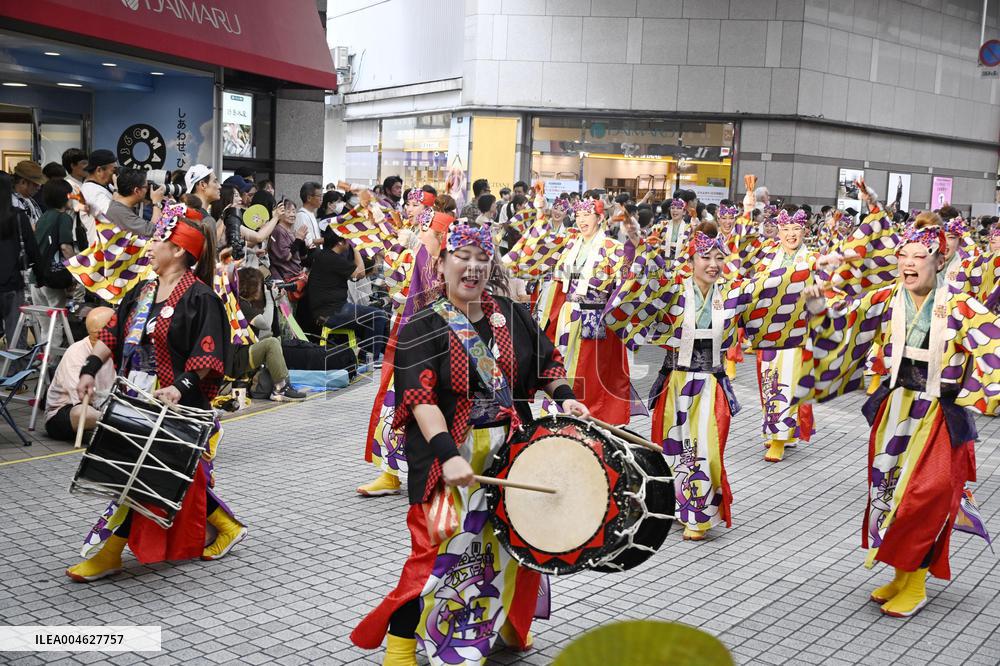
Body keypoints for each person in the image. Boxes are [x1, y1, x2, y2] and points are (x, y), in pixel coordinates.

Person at [351, 222, 589, 665]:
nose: (474, 268)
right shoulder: (422, 322)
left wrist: (566, 398)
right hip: (450, 457)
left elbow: (546, 364)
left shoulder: (510, 315)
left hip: (509, 457)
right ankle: (401, 647)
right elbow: (420, 399)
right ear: (441, 264)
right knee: (437, 555)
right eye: (463, 257)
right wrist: (446, 456)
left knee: (508, 549)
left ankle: (501, 630)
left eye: (483, 259)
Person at [802, 210, 1000, 618]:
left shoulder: (960, 306)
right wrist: (820, 304)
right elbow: (846, 321)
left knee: (923, 498)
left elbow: (993, 347)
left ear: (939, 260)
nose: (908, 263)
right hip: (896, 408)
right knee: (887, 491)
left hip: (939, 416)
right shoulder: (886, 299)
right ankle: (901, 573)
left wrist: (978, 393)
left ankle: (918, 582)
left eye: (918, 256)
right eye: (903, 255)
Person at [606, 218, 817, 541]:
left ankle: (699, 515)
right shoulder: (674, 292)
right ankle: (678, 505)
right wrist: (639, 242)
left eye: (719, 258)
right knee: (674, 447)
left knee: (704, 448)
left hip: (710, 382)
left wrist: (822, 274)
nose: (713, 264)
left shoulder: (733, 295)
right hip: (674, 381)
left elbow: (775, 285)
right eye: (705, 257)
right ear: (690, 261)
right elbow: (650, 279)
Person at [67, 207, 245, 582]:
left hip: (178, 402)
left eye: (157, 241)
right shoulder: (143, 291)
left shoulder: (200, 298)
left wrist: (179, 388)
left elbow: (208, 355)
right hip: (138, 397)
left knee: (144, 477)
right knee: (161, 476)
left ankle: (110, 552)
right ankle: (226, 526)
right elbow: (113, 334)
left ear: (178, 250)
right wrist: (88, 369)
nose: (149, 247)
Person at [510, 198, 637, 423]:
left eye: (587, 215)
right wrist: (541, 212)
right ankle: (558, 416)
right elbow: (539, 249)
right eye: (578, 216)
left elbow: (627, 286)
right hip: (567, 317)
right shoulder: (569, 243)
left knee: (591, 376)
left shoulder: (613, 249)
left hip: (595, 320)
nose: (581, 220)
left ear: (600, 218)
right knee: (564, 368)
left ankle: (592, 420)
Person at [305, 228, 389, 364]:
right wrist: (356, 248)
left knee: (375, 316)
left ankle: (374, 354)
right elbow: (360, 273)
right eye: (347, 240)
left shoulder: (325, 255)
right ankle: (369, 358)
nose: (349, 243)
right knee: (378, 316)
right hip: (332, 312)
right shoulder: (332, 258)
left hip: (328, 309)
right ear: (339, 243)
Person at [44, 307, 116, 441]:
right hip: (67, 411)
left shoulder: (118, 347)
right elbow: (81, 397)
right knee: (84, 412)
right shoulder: (77, 351)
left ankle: (114, 424)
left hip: (106, 405)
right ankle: (117, 424)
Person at [235, 267, 306, 401]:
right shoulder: (240, 304)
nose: (261, 289)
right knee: (271, 343)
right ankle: (280, 389)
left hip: (243, 353)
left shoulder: (247, 303)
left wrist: (273, 302)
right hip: (237, 358)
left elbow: (273, 330)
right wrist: (269, 298)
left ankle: (283, 385)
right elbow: (265, 325)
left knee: (274, 340)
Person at [33, 179, 79, 330]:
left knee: (45, 326)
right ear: (65, 197)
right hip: (53, 277)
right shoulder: (63, 218)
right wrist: (76, 272)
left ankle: (42, 353)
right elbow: (65, 247)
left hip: (36, 277)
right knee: (56, 324)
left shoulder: (43, 217)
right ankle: (52, 354)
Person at [0, 173, 40, 345]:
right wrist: (41, 275)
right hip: (11, 279)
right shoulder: (18, 215)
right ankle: (16, 369)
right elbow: (32, 248)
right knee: (15, 330)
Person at [105, 168, 165, 237]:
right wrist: (157, 203)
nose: (148, 190)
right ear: (136, 191)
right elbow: (154, 231)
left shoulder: (119, 205)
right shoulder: (119, 212)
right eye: (146, 187)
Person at [79, 150, 118, 245]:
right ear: (99, 170)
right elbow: (113, 215)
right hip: (102, 250)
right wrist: (117, 189)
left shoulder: (105, 185)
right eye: (113, 170)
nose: (115, 175)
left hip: (112, 245)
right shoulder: (91, 191)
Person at [267, 200, 308, 282]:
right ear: (280, 214)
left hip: (296, 275)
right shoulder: (278, 231)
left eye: (294, 211)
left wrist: (302, 242)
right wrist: (298, 239)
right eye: (288, 212)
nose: (292, 214)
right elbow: (286, 256)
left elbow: (303, 256)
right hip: (285, 278)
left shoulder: (292, 232)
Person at [12, 160, 44, 227]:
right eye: (35, 184)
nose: (38, 188)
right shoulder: (14, 203)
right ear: (23, 182)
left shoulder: (27, 198)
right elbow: (24, 229)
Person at [296, 181, 324, 247]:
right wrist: (328, 240)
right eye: (319, 196)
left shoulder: (311, 213)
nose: (321, 199)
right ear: (309, 198)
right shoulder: (302, 215)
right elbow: (307, 242)